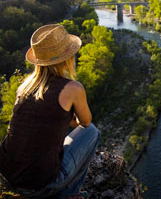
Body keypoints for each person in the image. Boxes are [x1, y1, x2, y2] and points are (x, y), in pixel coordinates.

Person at [0, 24, 100, 198]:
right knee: (92, 132)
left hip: (8, 177)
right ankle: (70, 193)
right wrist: (72, 118)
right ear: (67, 57)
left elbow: (45, 120)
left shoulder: (25, 86)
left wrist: (63, 118)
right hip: (39, 185)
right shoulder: (73, 88)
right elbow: (85, 122)